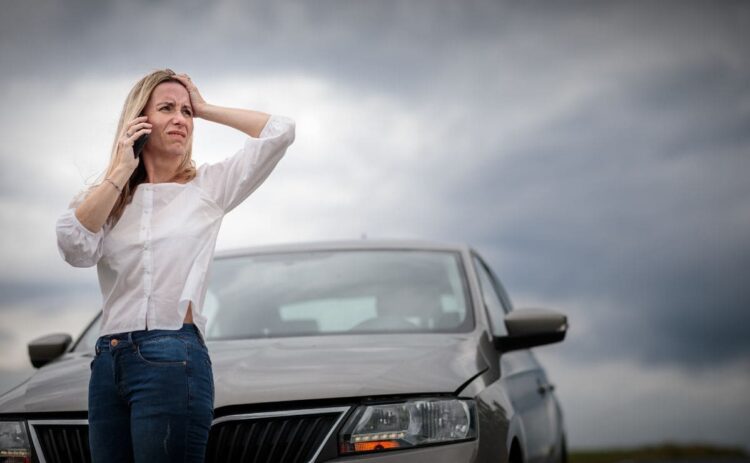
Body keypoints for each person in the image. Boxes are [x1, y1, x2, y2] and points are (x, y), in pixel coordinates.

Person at [55, 68, 295, 462]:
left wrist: (206, 107)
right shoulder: (106, 201)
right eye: (167, 108)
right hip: (107, 362)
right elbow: (74, 247)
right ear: (138, 121)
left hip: (172, 356)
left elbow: (281, 131)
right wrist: (119, 172)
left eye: (186, 112)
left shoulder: (208, 188)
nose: (181, 119)